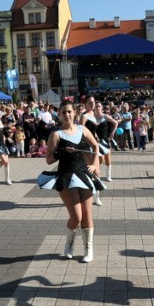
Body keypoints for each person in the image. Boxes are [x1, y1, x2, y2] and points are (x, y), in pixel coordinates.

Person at [37, 100, 104, 263]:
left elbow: (96, 146)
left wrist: (95, 165)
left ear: (74, 113)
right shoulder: (56, 134)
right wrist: (61, 152)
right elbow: (48, 160)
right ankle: (69, 243)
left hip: (83, 174)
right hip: (66, 176)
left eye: (69, 112)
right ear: (59, 114)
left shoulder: (82, 129)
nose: (67, 115)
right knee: (76, 217)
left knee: (87, 215)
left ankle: (88, 248)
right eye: (64, 112)